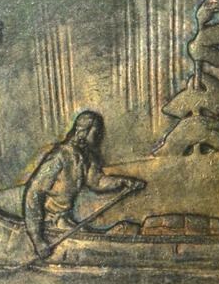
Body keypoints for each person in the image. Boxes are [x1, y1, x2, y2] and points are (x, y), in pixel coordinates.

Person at [22, 110, 143, 257]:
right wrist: (37, 240)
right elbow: (33, 193)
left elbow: (97, 181)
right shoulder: (59, 157)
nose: (99, 137)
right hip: (50, 224)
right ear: (82, 131)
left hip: (66, 221)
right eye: (96, 132)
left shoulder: (85, 156)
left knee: (124, 229)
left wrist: (124, 181)